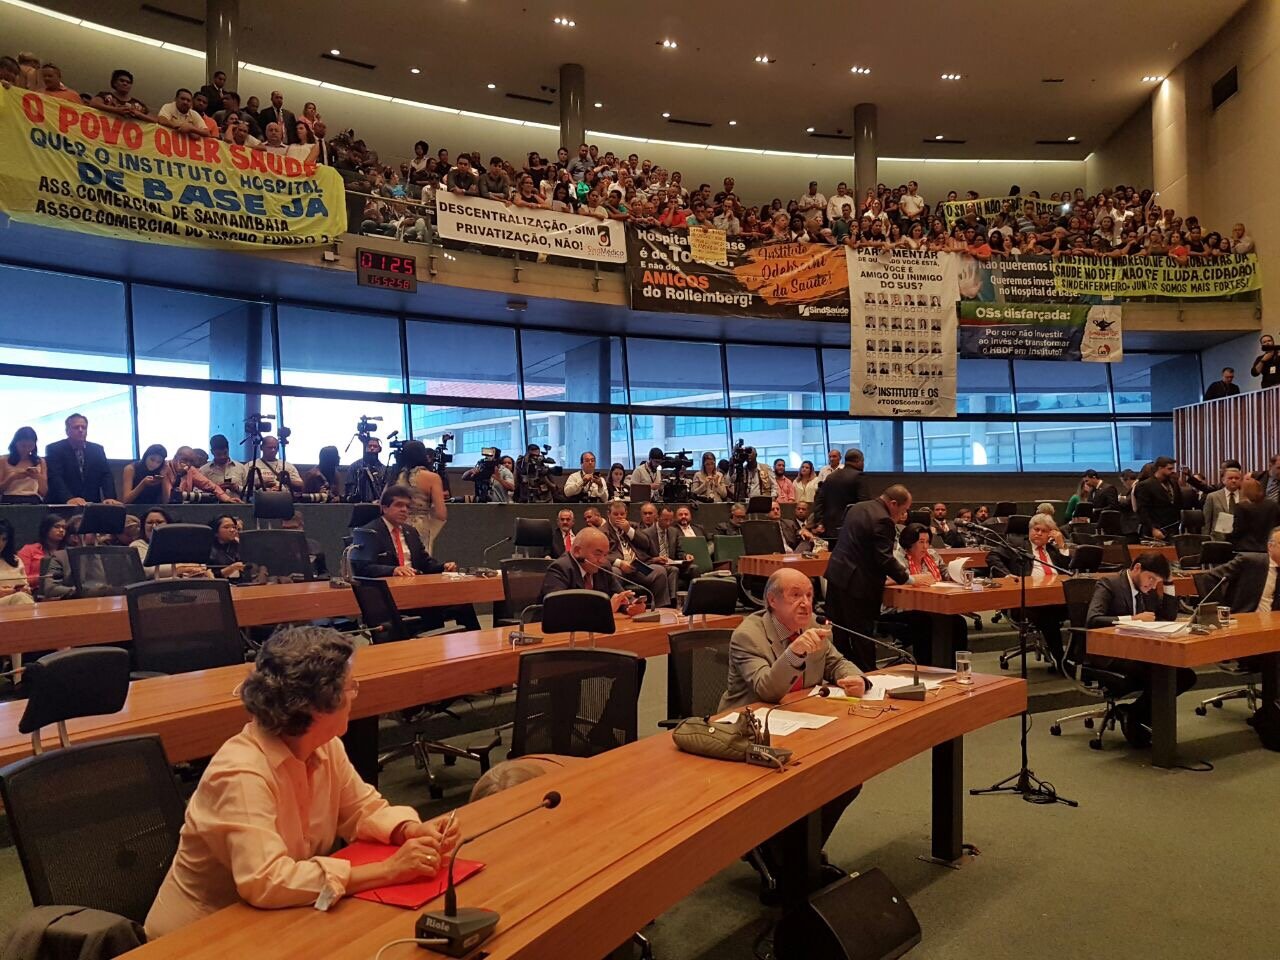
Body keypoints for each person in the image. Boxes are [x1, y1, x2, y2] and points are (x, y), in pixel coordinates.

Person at [144, 625, 460, 938]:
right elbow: (266, 881)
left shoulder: (324, 746)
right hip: (198, 935)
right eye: (349, 686)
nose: (355, 693)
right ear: (316, 706)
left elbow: (360, 809)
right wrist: (388, 871)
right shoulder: (241, 772)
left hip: (274, 918)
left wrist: (409, 830)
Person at [717, 568, 865, 896]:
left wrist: (857, 678)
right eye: (795, 595)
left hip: (798, 723)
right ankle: (785, 859)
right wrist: (794, 652)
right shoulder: (748, 635)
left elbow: (837, 663)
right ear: (772, 600)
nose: (805, 603)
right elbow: (766, 690)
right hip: (749, 731)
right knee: (800, 782)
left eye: (809, 595)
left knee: (846, 778)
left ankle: (792, 856)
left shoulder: (812, 627)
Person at [1086, 552, 1198, 747]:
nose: (1153, 585)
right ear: (1137, 568)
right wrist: (1132, 619)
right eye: (1151, 578)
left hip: (1140, 653)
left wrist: (1168, 583)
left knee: (1185, 675)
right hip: (1111, 655)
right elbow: (1093, 620)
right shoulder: (1109, 584)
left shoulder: (1148, 589)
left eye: (1157, 582)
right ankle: (1138, 721)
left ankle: (1134, 714)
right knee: (1166, 675)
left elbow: (1168, 616)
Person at [351, 486, 477, 629]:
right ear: (384, 508)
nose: (404, 510)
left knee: (463, 601)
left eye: (407, 506)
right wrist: (393, 570)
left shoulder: (410, 531)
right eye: (399, 505)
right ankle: (431, 639)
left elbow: (425, 563)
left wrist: (443, 567)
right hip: (391, 596)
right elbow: (363, 569)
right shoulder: (368, 532)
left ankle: (482, 641)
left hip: (417, 590)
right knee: (431, 610)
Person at [825, 484, 915, 668]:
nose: (902, 516)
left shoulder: (858, 507)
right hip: (858, 585)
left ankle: (842, 673)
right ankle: (868, 675)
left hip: (837, 575)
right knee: (862, 636)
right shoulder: (883, 520)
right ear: (893, 503)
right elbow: (884, 559)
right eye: (902, 510)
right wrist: (908, 579)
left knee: (840, 632)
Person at [880, 524, 968, 663]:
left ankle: (955, 667)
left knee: (958, 622)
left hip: (929, 606)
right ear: (909, 542)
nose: (925, 546)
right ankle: (925, 666)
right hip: (897, 609)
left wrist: (955, 570)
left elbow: (944, 573)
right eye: (921, 542)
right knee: (924, 622)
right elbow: (885, 580)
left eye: (927, 542)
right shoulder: (896, 557)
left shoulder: (931, 555)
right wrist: (915, 579)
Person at [539, 526, 646, 616]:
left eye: (605, 554)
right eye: (598, 554)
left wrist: (631, 606)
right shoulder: (559, 569)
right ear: (577, 551)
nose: (603, 560)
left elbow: (620, 595)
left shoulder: (603, 567)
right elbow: (559, 610)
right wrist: (604, 610)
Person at [602, 501, 671, 606]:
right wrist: (620, 563)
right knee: (613, 572)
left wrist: (628, 530)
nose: (619, 517)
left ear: (626, 513)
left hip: (637, 566)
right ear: (608, 514)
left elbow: (646, 543)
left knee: (660, 571)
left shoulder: (633, 526)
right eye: (615, 514)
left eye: (622, 514)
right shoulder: (603, 531)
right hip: (619, 568)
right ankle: (626, 606)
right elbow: (602, 555)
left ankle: (660, 607)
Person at [387, 441, 447, 553]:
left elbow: (383, 503)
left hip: (396, 525)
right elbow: (441, 514)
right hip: (420, 527)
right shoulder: (432, 478)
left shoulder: (395, 476)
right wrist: (430, 531)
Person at [45, 413, 118, 505]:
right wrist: (68, 498)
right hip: (63, 504)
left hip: (91, 503)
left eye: (83, 427)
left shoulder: (97, 449)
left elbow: (106, 475)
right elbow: (55, 477)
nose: (80, 430)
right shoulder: (55, 449)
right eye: (76, 427)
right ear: (67, 431)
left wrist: (110, 497)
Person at [811, 449, 866, 541]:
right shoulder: (859, 476)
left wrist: (819, 522)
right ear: (858, 461)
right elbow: (864, 504)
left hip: (829, 527)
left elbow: (819, 501)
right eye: (863, 461)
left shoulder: (830, 477)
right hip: (851, 528)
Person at [168, 446, 238, 504]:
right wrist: (179, 475)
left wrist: (227, 498)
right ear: (175, 458)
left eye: (191, 461)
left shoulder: (191, 470)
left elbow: (209, 485)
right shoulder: (165, 468)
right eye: (184, 460)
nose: (188, 464)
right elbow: (168, 496)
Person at [1133, 456, 1181, 540]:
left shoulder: (1173, 483)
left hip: (1173, 528)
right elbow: (1142, 510)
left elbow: (1178, 504)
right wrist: (1153, 528)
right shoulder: (1145, 485)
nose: (1173, 471)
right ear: (1160, 468)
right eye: (1169, 469)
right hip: (1154, 530)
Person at [1229, 476, 1280, 553]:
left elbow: (1238, 531)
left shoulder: (1241, 507)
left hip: (1246, 550)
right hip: (1268, 549)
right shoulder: (1273, 505)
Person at [16, 513, 67, 590]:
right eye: (57, 527)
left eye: (64, 527)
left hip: (62, 589)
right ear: (46, 529)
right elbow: (21, 579)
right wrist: (44, 577)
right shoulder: (29, 550)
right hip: (34, 591)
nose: (61, 530)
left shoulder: (66, 552)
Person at [0, 426, 47, 503]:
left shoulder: (40, 462)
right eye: (23, 446)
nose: (26, 449)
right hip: (10, 499)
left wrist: (37, 476)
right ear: (15, 443)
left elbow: (44, 491)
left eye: (30, 446)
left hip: (33, 500)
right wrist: (12, 478)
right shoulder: (3, 460)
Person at [0, 518, 35, 608]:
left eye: (4, 539)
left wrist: (25, 590)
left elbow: (26, 587)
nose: (0, 543)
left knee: (22, 597)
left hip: (17, 604)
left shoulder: (15, 560)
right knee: (20, 598)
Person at [1203, 465, 1244, 540]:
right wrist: (1205, 540)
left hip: (1240, 540)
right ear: (1223, 480)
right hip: (1218, 540)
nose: (1234, 480)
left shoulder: (1246, 497)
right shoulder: (1213, 497)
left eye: (1237, 478)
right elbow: (1206, 522)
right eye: (1230, 478)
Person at [344, 437, 387, 503]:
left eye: (375, 446)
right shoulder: (354, 466)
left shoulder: (384, 469)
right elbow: (349, 489)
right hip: (358, 505)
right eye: (369, 446)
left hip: (378, 505)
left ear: (379, 449)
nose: (372, 448)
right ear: (365, 448)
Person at [208, 514, 247, 580]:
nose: (232, 530)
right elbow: (207, 576)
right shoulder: (207, 549)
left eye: (234, 527)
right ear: (216, 532)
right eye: (226, 527)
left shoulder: (238, 545)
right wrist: (231, 569)